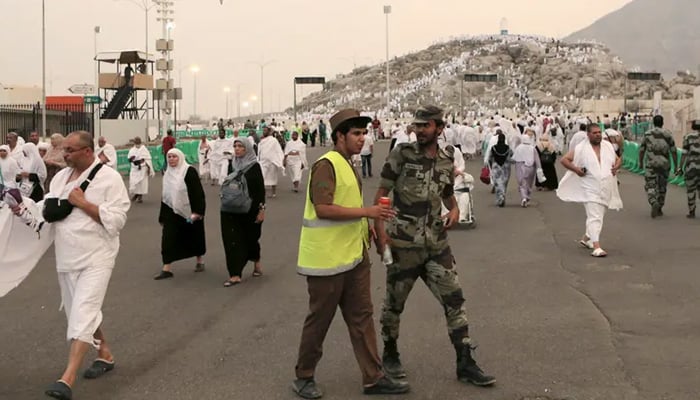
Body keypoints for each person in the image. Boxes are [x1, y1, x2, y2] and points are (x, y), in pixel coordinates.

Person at [375, 106, 495, 389]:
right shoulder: (401, 155)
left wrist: (453, 210)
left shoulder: (446, 157)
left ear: (439, 129)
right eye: (417, 126)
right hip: (404, 245)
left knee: (455, 300)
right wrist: (381, 237)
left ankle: (465, 361)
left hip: (436, 245)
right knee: (394, 305)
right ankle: (390, 354)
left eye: (425, 126)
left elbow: (446, 191)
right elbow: (381, 196)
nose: (419, 130)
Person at [293, 109, 409, 399]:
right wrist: (368, 212)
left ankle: (374, 377)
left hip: (354, 258)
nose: (362, 139)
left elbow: (348, 206)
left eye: (363, 133)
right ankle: (304, 376)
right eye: (356, 134)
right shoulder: (326, 165)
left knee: (362, 318)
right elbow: (324, 208)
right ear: (339, 136)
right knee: (319, 320)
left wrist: (366, 226)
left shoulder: (348, 164)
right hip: (326, 261)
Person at [10, 131, 130, 400]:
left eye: (70, 150)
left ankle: (67, 379)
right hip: (67, 256)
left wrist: (85, 204)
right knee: (79, 310)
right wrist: (20, 209)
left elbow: (118, 219)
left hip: (97, 256)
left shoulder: (110, 179)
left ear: (87, 151)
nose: (64, 154)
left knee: (83, 310)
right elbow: (45, 211)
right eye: (64, 149)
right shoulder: (62, 178)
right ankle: (105, 354)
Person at [558, 123, 623, 257]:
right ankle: (597, 247)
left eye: (599, 132)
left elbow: (618, 160)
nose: (598, 135)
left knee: (600, 214)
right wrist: (577, 170)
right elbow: (564, 160)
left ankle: (586, 238)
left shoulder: (608, 146)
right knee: (594, 216)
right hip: (589, 186)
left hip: (606, 186)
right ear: (588, 135)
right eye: (595, 133)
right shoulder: (581, 148)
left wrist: (616, 167)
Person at [154, 149, 206, 280]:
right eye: (169, 157)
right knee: (167, 238)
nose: (171, 159)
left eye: (174, 157)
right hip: (172, 212)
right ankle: (167, 268)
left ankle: (199, 260)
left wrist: (198, 212)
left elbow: (197, 193)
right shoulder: (168, 174)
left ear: (180, 158)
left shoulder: (189, 172)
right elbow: (165, 196)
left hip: (189, 212)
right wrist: (162, 216)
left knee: (194, 235)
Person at [220, 138, 265, 286]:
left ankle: (256, 260)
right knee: (231, 240)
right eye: (235, 146)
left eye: (240, 146)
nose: (237, 149)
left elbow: (260, 191)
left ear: (247, 149)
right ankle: (235, 273)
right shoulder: (232, 165)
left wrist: (261, 210)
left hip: (249, 209)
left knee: (250, 238)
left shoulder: (254, 167)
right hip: (229, 208)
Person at [638, 115, 678, 218]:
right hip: (664, 165)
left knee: (650, 185)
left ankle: (653, 201)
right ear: (662, 122)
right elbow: (673, 151)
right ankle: (660, 207)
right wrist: (676, 165)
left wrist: (640, 162)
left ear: (653, 122)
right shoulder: (668, 134)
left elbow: (642, 150)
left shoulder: (647, 134)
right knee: (662, 187)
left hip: (651, 164)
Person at [677, 120, 700, 218]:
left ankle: (692, 211)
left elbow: (684, 154)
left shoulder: (688, 137)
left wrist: (680, 167)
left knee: (691, 189)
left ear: (693, 127)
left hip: (691, 167)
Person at [513, 135, 544, 207]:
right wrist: (539, 168)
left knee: (522, 184)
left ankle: (524, 197)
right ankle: (528, 197)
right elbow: (537, 160)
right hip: (531, 168)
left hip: (520, 167)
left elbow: (514, 158)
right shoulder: (532, 148)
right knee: (529, 183)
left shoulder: (519, 148)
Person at [486, 130, 513, 207]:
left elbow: (490, 158)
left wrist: (491, 166)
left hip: (496, 167)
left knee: (498, 183)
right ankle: (502, 195)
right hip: (506, 168)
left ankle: (500, 198)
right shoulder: (508, 148)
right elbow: (511, 155)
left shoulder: (493, 148)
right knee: (504, 183)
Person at [257, 127, 285, 198]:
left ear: (269, 132)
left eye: (265, 131)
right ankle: (261, 193)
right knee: (261, 177)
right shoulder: (262, 141)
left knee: (273, 178)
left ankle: (273, 193)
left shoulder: (273, 140)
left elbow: (278, 150)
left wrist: (281, 159)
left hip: (272, 161)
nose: (264, 132)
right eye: (263, 130)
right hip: (263, 162)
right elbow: (259, 151)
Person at [127, 137, 154, 203]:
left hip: (142, 168)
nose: (137, 145)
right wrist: (131, 159)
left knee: (141, 183)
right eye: (136, 143)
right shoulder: (132, 150)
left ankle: (139, 196)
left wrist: (149, 167)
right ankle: (136, 194)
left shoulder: (144, 149)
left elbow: (148, 158)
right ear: (134, 143)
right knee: (134, 182)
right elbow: (129, 159)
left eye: (138, 143)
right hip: (134, 168)